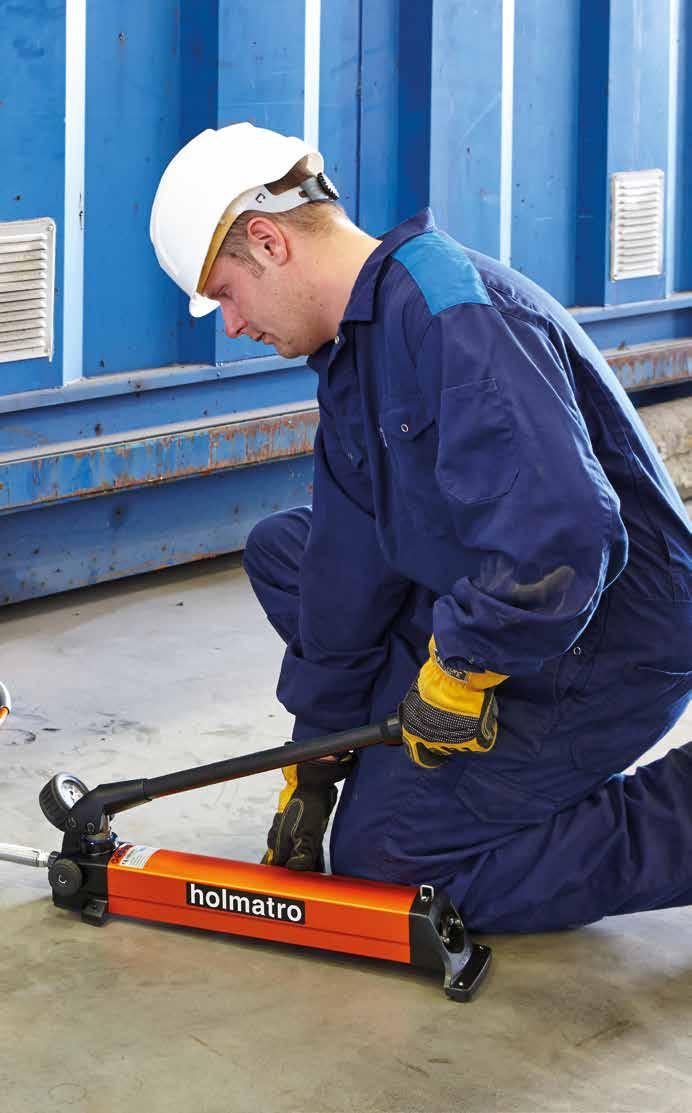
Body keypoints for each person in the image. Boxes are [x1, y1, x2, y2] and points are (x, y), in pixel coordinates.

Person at [151, 123, 692, 933]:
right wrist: (318, 755)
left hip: (607, 629)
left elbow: (567, 537)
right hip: (525, 590)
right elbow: (345, 571)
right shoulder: (359, 349)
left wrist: (465, 669)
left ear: (268, 241)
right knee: (286, 552)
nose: (230, 325)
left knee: (390, 864)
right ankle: (407, 756)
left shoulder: (450, 317)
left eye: (225, 293)